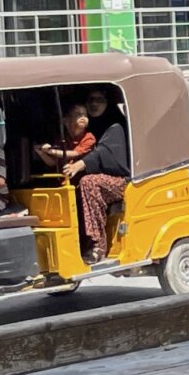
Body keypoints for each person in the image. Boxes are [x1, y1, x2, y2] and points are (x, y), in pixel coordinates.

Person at [66, 104, 131, 261]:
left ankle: (98, 244)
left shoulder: (114, 127)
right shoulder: (89, 129)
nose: (94, 104)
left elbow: (102, 152)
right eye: (91, 100)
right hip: (95, 181)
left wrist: (80, 165)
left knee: (89, 182)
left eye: (99, 100)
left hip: (119, 181)